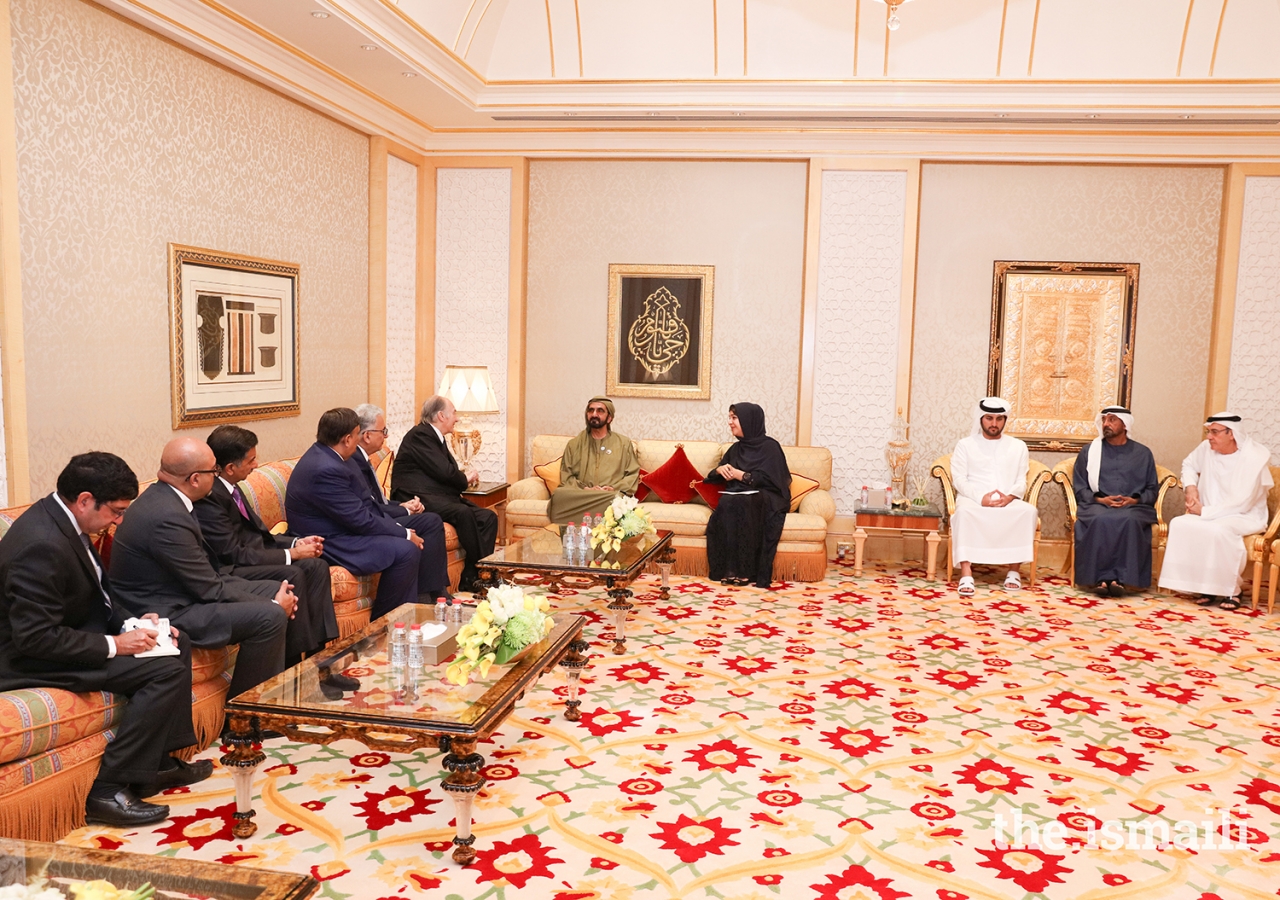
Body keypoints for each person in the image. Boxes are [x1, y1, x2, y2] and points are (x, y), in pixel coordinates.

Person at [0, 452, 211, 827]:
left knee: (175, 642)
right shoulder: (40, 544)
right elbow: (35, 638)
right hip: (27, 659)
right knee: (162, 671)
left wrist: (133, 622)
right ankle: (107, 789)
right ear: (84, 500)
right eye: (115, 511)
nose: (119, 520)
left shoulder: (66, 521)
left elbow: (98, 594)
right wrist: (117, 644)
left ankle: (158, 764)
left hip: (70, 636)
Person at [109, 438, 294, 702]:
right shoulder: (166, 517)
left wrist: (272, 596)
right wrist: (274, 604)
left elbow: (207, 577)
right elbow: (208, 588)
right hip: (165, 609)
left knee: (278, 587)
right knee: (269, 615)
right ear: (195, 479)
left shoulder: (169, 498)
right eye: (214, 472)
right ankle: (247, 717)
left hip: (184, 592)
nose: (217, 476)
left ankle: (286, 689)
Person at [195, 425, 339, 668]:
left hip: (250, 557)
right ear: (230, 467)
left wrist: (297, 542)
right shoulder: (210, 499)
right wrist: (291, 554)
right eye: (250, 460)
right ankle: (292, 664)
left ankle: (319, 656)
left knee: (315, 566)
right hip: (230, 568)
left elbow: (258, 536)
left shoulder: (232, 487)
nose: (256, 465)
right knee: (293, 573)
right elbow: (233, 552)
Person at [286, 408, 451, 619]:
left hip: (345, 528)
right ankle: (386, 624)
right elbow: (360, 519)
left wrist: (399, 527)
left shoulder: (333, 456)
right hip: (329, 540)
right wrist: (404, 534)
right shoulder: (326, 469)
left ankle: (417, 608)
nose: (358, 441)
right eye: (356, 435)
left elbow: (366, 506)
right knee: (405, 550)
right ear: (347, 439)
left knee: (416, 534)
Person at [1158, 412, 1274, 610]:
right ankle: (1206, 588)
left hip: (1243, 515)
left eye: (1214, 432)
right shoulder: (1207, 449)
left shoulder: (1252, 458)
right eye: (1208, 432)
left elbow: (1243, 502)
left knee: (1219, 531)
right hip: (1209, 512)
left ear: (1232, 433)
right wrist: (1191, 488)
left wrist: (1203, 511)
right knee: (1179, 523)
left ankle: (1232, 591)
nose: (1208, 437)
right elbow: (1188, 464)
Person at [390, 396, 498, 592]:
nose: (456, 418)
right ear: (441, 415)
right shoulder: (420, 435)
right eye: (454, 413)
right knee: (463, 513)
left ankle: (472, 575)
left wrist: (461, 479)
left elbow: (445, 472)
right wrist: (465, 478)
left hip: (437, 496)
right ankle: (484, 575)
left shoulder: (435, 437)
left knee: (488, 517)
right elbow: (444, 471)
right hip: (416, 497)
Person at [950, 397, 1038, 597]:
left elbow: (1020, 481)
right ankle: (966, 573)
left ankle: (1014, 571)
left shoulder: (1018, 446)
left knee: (1028, 511)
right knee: (963, 513)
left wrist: (1009, 497)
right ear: (981, 419)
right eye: (989, 418)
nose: (994, 423)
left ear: (1005, 421)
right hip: (973, 498)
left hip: (1007, 499)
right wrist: (981, 498)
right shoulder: (965, 445)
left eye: (999, 419)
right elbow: (959, 480)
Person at [1071, 406, 1160, 596]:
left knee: (1129, 520)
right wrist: (1100, 499)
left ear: (1124, 424)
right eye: (1104, 420)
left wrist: (1133, 501)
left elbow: (1152, 489)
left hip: (1134, 507)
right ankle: (1100, 580)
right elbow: (1079, 486)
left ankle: (1122, 580)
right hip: (1097, 505)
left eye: (1112, 420)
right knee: (1100, 519)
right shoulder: (1090, 451)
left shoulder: (1143, 454)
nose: (1106, 424)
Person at [703, 402, 791, 589]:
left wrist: (741, 475)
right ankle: (729, 570)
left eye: (734, 418)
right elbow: (711, 477)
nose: (730, 422)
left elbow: (775, 480)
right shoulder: (736, 449)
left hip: (765, 495)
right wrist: (720, 470)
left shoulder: (770, 447)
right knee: (728, 502)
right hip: (738, 495)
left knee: (745, 501)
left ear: (749, 421)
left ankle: (746, 571)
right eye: (730, 417)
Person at [546, 396, 640, 525]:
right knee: (558, 495)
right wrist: (585, 489)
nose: (594, 414)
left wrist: (613, 488)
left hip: (608, 496)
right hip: (582, 495)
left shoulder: (623, 444)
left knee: (617, 500)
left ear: (609, 418)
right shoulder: (574, 444)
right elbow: (566, 477)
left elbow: (632, 474)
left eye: (600, 411)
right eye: (591, 411)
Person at [352, 404, 427, 520]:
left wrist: (402, 505)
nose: (386, 435)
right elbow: (370, 506)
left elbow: (378, 500)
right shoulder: (355, 461)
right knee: (431, 521)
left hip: (381, 514)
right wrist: (405, 510)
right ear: (367, 436)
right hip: (377, 521)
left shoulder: (362, 457)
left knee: (430, 519)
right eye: (383, 431)